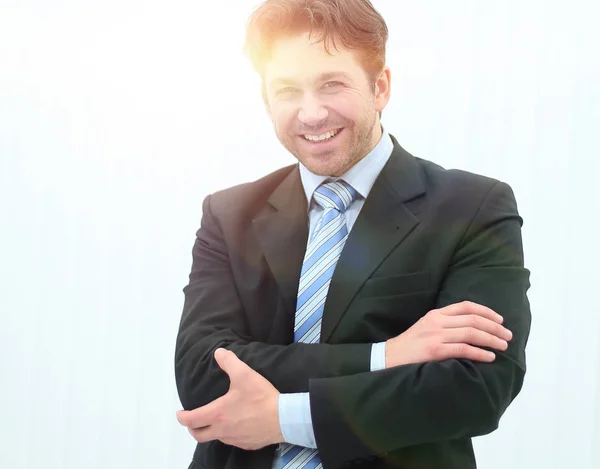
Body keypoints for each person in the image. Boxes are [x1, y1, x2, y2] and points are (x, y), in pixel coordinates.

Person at [174, 1, 531, 468]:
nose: (311, 113)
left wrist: (283, 417)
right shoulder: (229, 214)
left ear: (379, 86)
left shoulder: (472, 209)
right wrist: (386, 356)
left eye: (331, 84)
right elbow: (202, 374)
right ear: (265, 100)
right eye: (286, 90)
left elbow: (473, 387)